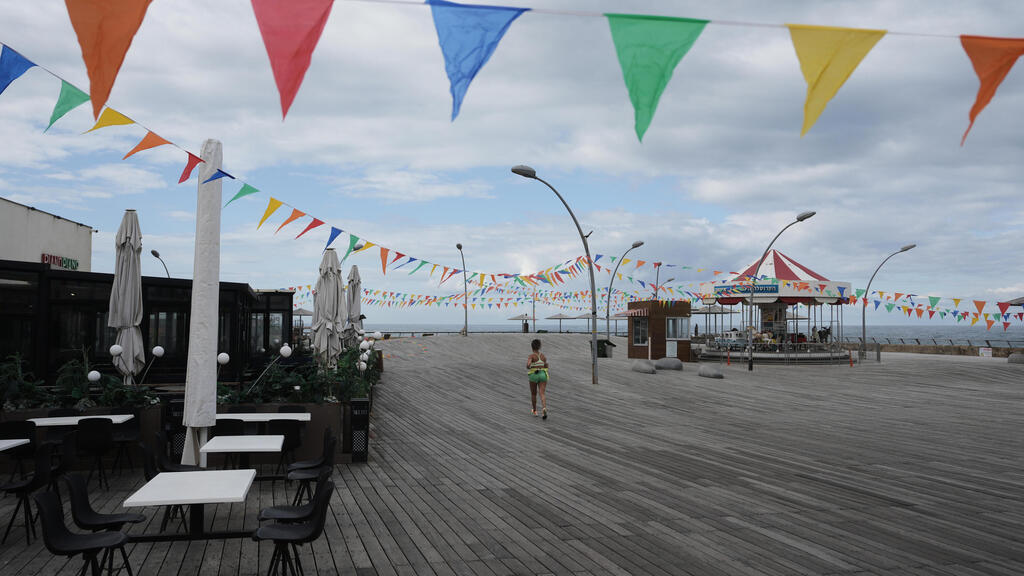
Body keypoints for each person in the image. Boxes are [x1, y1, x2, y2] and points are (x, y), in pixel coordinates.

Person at [526, 339, 549, 419]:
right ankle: (544, 408)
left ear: (532, 347)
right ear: (539, 347)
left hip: (534, 374)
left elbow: (528, 365)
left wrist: (530, 365)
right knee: (542, 393)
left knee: (533, 394)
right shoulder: (543, 356)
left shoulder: (531, 356)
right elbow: (546, 366)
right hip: (542, 374)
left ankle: (535, 411)